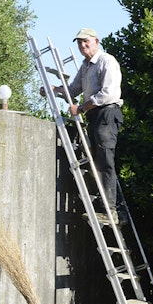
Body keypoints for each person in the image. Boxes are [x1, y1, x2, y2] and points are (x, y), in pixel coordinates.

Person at [45, 28, 124, 223]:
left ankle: (111, 212)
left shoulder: (107, 61)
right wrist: (54, 90)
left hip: (107, 113)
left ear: (96, 41)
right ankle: (117, 213)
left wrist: (81, 108)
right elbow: (73, 90)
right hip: (95, 115)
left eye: (85, 42)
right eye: (79, 43)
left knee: (105, 161)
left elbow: (108, 93)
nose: (82, 46)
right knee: (100, 161)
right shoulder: (86, 66)